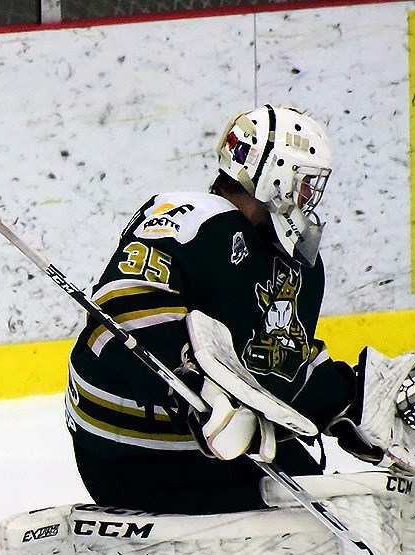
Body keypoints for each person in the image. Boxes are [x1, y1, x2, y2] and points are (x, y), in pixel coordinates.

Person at [65, 104, 359, 515]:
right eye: (304, 181)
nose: (310, 195)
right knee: (302, 529)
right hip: (132, 456)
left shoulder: (296, 266)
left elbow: (279, 364)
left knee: (335, 512)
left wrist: (349, 403)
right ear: (275, 175)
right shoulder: (188, 221)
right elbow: (120, 311)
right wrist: (192, 383)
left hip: (224, 451)